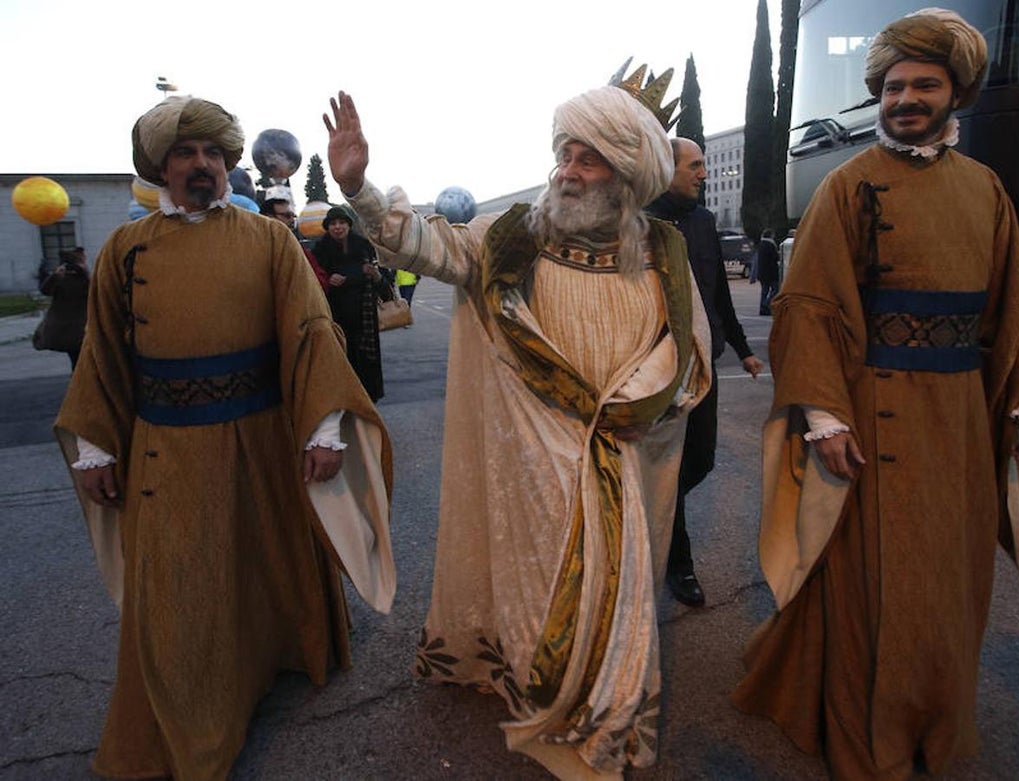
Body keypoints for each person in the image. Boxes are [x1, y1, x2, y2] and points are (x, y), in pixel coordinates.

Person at [323, 64, 712, 777]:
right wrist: (357, 189)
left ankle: (603, 709)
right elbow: (429, 246)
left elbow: (686, 350)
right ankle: (542, 687)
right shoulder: (510, 239)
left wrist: (639, 404)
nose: (566, 170)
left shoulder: (663, 252)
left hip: (622, 458)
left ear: (627, 175)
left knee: (615, 592)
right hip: (530, 462)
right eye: (564, 152)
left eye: (587, 158)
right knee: (538, 589)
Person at [732, 9, 1019, 780]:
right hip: (872, 414)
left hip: (958, 424)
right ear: (878, 94)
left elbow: (1011, 310)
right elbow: (809, 307)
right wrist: (823, 416)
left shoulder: (987, 190)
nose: (906, 97)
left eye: (925, 84)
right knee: (871, 594)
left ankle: (933, 725)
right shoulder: (847, 186)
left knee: (947, 591)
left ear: (957, 93)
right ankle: (870, 745)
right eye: (894, 85)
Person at [54, 95, 397, 780]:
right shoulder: (126, 247)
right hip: (167, 448)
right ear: (160, 166)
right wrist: (95, 445)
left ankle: (277, 659)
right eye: (186, 153)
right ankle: (192, 734)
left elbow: (309, 333)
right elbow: (102, 355)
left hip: (263, 440)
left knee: (264, 566)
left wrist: (324, 428)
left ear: (228, 163)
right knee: (180, 592)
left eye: (213, 153)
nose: (202, 164)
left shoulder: (269, 240)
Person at [645, 138, 764, 607]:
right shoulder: (638, 223)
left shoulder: (704, 220)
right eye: (695, 166)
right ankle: (680, 565)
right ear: (665, 168)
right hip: (659, 371)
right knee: (668, 465)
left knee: (701, 460)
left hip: (705, 364)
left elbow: (717, 293)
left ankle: (655, 511)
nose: (704, 174)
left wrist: (742, 348)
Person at [312, 204, 387, 401]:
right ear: (327, 227)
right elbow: (312, 280)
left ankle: (368, 400)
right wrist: (328, 279)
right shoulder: (319, 250)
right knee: (341, 360)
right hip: (335, 317)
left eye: (342, 222)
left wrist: (375, 274)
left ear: (349, 225)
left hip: (364, 318)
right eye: (333, 223)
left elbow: (384, 283)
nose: (338, 227)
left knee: (365, 364)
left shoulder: (363, 246)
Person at [34, 247, 90, 369]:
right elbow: (93, 290)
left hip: (66, 329)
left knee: (77, 360)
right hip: (79, 329)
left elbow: (45, 290)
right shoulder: (81, 280)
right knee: (80, 360)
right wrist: (83, 273)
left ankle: (79, 381)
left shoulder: (60, 279)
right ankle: (80, 383)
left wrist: (54, 276)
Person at [260, 196, 330, 290]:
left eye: (293, 216)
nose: (292, 220)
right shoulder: (255, 249)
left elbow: (320, 279)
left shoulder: (297, 248)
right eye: (287, 216)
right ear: (269, 217)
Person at [750, 231, 779, 316]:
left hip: (762, 273)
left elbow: (756, 261)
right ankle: (766, 304)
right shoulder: (771, 245)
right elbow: (775, 258)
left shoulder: (760, 245)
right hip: (771, 273)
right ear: (771, 236)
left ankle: (762, 309)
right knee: (776, 289)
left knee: (764, 291)